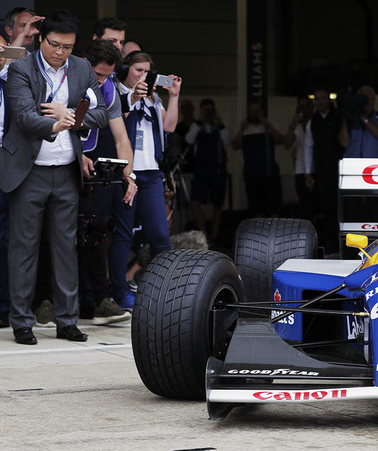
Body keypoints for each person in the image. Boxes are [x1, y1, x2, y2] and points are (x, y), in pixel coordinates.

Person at [0, 11, 108, 344]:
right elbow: (25, 115)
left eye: (68, 47)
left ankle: (67, 320)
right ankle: (21, 322)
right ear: (41, 39)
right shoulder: (21, 68)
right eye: (55, 45)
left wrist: (70, 117)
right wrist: (55, 124)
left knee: (66, 248)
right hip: (28, 170)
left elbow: (100, 113)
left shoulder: (83, 68)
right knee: (23, 248)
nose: (60, 52)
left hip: (66, 168)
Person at [111, 52, 181, 309]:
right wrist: (134, 95)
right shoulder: (118, 93)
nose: (143, 76)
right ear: (127, 70)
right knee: (123, 234)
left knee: (160, 235)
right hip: (126, 172)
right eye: (138, 70)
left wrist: (173, 96)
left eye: (147, 72)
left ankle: (166, 292)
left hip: (151, 173)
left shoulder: (153, 98)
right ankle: (119, 292)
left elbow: (169, 126)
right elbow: (116, 124)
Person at [80, 39, 137, 325]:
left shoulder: (108, 88)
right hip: (57, 163)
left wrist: (130, 176)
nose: (100, 79)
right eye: (98, 73)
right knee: (56, 236)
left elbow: (121, 137)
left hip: (95, 169)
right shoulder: (66, 78)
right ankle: (49, 301)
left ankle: (99, 299)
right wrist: (77, 154)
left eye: (106, 75)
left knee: (97, 229)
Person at [304, 87, 344, 253]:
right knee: (325, 207)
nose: (319, 102)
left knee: (339, 206)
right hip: (321, 169)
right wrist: (308, 172)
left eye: (322, 98)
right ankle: (330, 243)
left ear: (329, 99)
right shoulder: (312, 121)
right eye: (317, 99)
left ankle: (343, 242)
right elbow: (308, 146)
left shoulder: (339, 117)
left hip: (340, 168)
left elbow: (346, 142)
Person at [232, 99, 286, 216]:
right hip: (252, 175)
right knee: (256, 210)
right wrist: (241, 129)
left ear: (262, 112)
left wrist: (269, 126)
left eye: (257, 111)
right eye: (252, 112)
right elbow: (235, 146)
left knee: (273, 209)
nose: (255, 114)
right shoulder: (244, 129)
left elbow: (281, 140)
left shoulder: (271, 126)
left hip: (270, 174)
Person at [186, 98, 231, 241]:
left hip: (218, 170)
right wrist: (200, 122)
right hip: (201, 170)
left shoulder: (220, 127)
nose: (209, 113)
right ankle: (204, 234)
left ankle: (215, 235)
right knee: (195, 202)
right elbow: (189, 140)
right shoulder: (196, 126)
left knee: (218, 203)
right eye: (206, 111)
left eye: (211, 110)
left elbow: (227, 142)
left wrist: (220, 123)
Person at [339, 85, 378, 158]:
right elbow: (344, 143)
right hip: (353, 164)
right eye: (364, 98)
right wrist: (345, 118)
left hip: (374, 165)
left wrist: (362, 118)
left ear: (374, 99)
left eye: (369, 98)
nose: (367, 102)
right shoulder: (350, 119)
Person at [0, 35, 9, 328]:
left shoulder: (12, 88)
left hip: (5, 170)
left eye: (1, 52)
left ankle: (1, 305)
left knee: (2, 238)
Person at [283, 94, 314, 216]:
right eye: (301, 106)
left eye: (307, 105)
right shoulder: (298, 126)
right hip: (301, 169)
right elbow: (287, 144)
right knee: (304, 204)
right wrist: (293, 124)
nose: (304, 109)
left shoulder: (316, 122)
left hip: (316, 168)